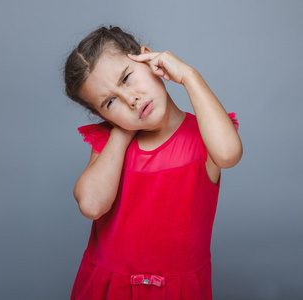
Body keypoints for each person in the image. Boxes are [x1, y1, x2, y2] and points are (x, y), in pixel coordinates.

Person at [64, 26, 242, 300]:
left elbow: (229, 153)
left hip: (179, 290)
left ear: (148, 59)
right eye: (111, 102)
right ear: (100, 114)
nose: (131, 99)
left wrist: (189, 76)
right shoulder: (110, 144)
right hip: (108, 287)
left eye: (126, 79)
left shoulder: (204, 136)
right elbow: (91, 205)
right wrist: (121, 131)